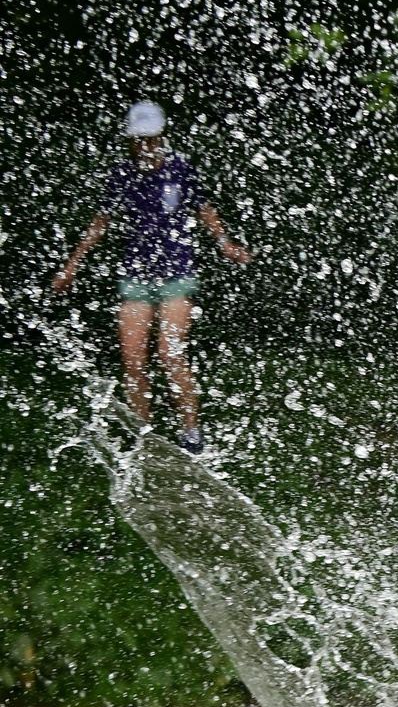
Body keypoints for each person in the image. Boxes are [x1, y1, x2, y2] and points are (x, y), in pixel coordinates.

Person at [50, 100, 252, 452]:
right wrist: (72, 265)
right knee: (132, 360)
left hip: (177, 273)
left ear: (162, 137)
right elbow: (101, 224)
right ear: (130, 141)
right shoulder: (122, 174)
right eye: (138, 140)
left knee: (170, 354)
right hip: (136, 275)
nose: (144, 146)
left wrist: (225, 243)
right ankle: (143, 437)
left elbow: (204, 211)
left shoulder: (181, 170)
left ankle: (191, 433)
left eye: (150, 139)